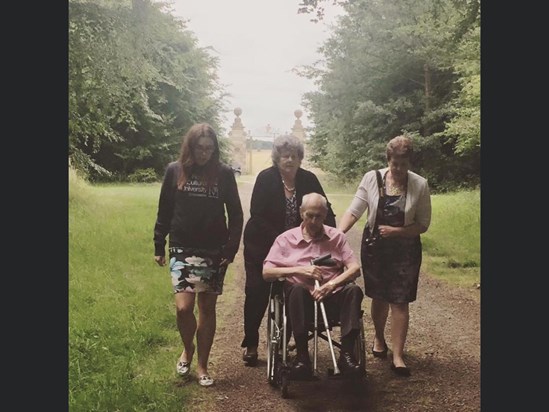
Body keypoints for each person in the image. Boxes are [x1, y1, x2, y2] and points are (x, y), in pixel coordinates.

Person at [153, 123, 244, 387]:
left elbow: (236, 214)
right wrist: (159, 244)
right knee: (183, 308)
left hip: (214, 249)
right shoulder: (174, 170)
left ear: (214, 148)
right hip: (182, 246)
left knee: (207, 308)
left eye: (209, 148)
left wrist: (231, 247)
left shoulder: (224, 173)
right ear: (190, 147)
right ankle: (187, 349)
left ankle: (203, 364)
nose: (204, 153)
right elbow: (164, 210)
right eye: (199, 148)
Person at [338, 135, 431, 377]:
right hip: (375, 249)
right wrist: (337, 235)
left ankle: (398, 355)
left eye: (403, 164)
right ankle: (379, 339)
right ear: (387, 160)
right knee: (378, 297)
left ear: (409, 162)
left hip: (405, 250)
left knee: (400, 301)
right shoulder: (372, 178)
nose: (398, 169)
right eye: (394, 164)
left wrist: (398, 231)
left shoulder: (420, 184)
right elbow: (354, 211)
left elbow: (423, 224)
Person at [240, 134, 336, 366]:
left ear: (300, 158)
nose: (290, 160)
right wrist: (286, 240)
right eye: (285, 156)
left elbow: (325, 210)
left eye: (294, 156)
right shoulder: (266, 178)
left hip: (298, 249)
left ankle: (288, 339)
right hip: (262, 245)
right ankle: (251, 343)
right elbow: (257, 214)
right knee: (257, 291)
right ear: (277, 158)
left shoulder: (308, 179)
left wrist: (333, 236)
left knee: (295, 289)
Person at [262, 192, 363, 378]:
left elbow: (354, 268)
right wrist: (299, 270)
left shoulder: (337, 237)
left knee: (354, 290)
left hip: (332, 298)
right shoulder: (285, 239)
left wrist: (331, 284)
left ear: (325, 215)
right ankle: (302, 359)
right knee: (298, 290)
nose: (314, 221)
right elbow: (267, 273)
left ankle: (346, 356)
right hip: (301, 302)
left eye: (319, 216)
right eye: (310, 215)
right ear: (301, 213)